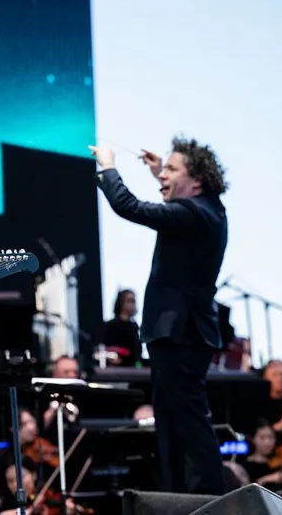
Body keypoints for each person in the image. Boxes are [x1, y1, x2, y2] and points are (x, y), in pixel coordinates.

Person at [90, 135, 228, 495]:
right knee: (172, 426)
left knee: (189, 428)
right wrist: (160, 174)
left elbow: (129, 207)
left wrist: (108, 167)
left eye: (171, 168)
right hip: (181, 335)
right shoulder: (209, 208)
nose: (162, 173)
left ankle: (206, 503)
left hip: (181, 335)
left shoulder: (192, 213)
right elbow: (179, 198)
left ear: (196, 180)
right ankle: (180, 499)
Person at [101, 289, 142, 366]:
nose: (133, 305)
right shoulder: (111, 325)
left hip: (132, 368)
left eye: (134, 301)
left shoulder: (134, 327)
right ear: (121, 302)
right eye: (130, 301)